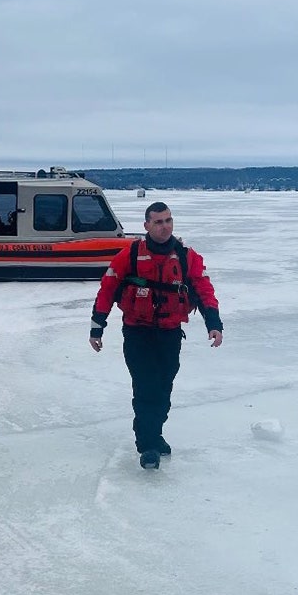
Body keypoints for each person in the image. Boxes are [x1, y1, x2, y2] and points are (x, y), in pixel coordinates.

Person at [89, 201, 223, 469]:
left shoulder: (187, 257)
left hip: (170, 333)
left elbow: (204, 289)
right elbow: (108, 289)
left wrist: (214, 323)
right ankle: (148, 444)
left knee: (163, 388)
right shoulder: (129, 256)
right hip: (138, 333)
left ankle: (155, 433)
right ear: (146, 225)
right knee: (146, 386)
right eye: (158, 222)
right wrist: (97, 325)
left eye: (168, 221)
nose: (164, 226)